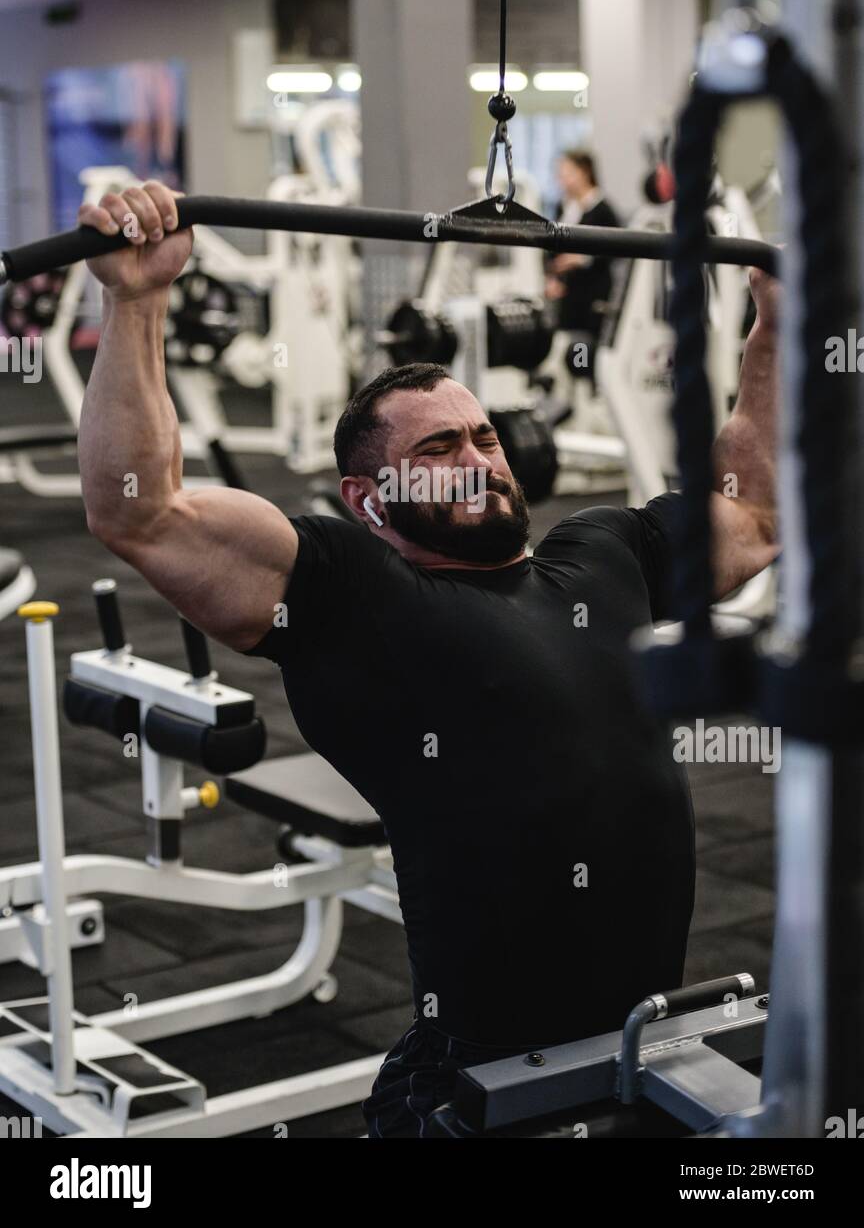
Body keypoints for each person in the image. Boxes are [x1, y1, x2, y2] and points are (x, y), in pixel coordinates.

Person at [77, 180, 780, 1138]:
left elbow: (755, 510)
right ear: (368, 499)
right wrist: (136, 299)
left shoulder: (606, 551)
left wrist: (780, 318)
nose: (484, 458)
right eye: (443, 447)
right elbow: (139, 510)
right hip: (479, 1077)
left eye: (485, 435)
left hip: (645, 1039)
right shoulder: (353, 597)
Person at [546, 151, 621, 375]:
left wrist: (581, 260)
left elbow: (615, 248)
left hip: (592, 295)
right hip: (568, 297)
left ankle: (588, 389)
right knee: (566, 347)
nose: (562, 179)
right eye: (560, 174)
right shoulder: (564, 208)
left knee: (586, 350)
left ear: (584, 172)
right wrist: (552, 278)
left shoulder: (603, 209)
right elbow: (550, 250)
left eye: (567, 173)